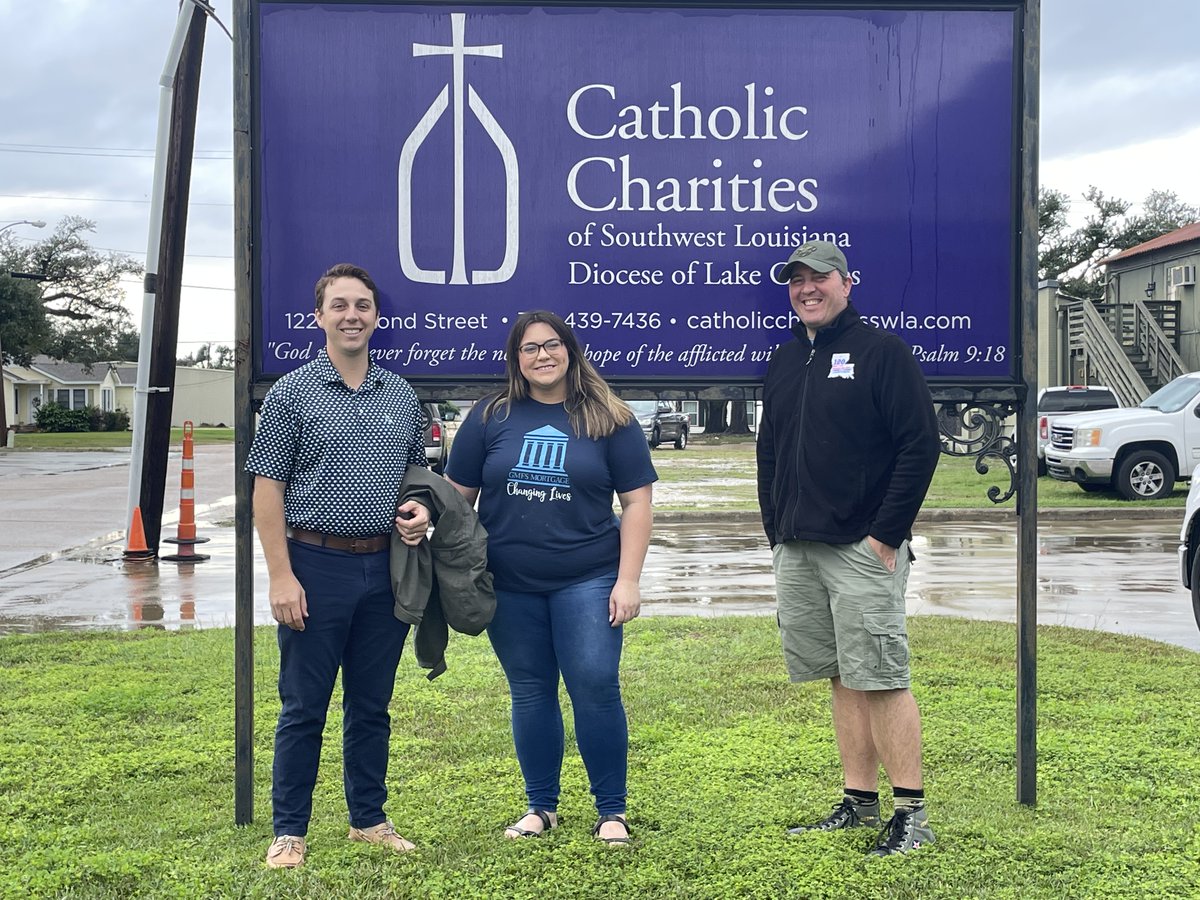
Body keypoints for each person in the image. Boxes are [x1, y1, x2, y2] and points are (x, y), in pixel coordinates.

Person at [756, 241, 942, 857]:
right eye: (797, 281)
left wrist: (886, 534)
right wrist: (774, 529)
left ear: (846, 283)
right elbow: (770, 452)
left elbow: (920, 446)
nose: (807, 289)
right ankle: (859, 803)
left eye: (820, 279)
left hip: (863, 548)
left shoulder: (881, 353)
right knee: (841, 676)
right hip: (799, 546)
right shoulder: (785, 360)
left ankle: (910, 814)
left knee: (882, 676)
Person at [445, 310, 656, 846]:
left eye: (552, 344)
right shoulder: (491, 416)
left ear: (570, 350)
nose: (542, 355)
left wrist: (627, 580)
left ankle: (612, 811)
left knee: (595, 686)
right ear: (516, 359)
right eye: (530, 347)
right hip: (510, 584)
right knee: (531, 690)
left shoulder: (609, 417)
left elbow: (636, 503)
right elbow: (456, 496)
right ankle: (542, 807)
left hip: (587, 579)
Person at [246, 263, 431, 869]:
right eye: (340, 305)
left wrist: (417, 513)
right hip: (312, 566)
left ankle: (369, 820)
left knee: (371, 704)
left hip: (383, 570)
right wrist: (280, 575)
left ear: (377, 317)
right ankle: (290, 830)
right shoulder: (291, 394)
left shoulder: (402, 394)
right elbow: (266, 491)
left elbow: (416, 481)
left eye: (363, 305)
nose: (352, 315)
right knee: (303, 706)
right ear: (320, 316)